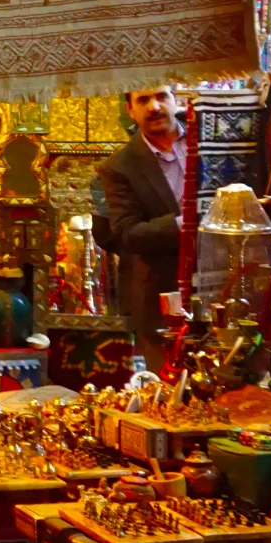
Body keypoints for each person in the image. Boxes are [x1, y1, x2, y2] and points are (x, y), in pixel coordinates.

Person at [96, 86, 187, 368]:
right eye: (143, 100)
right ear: (130, 111)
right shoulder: (118, 167)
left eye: (162, 97)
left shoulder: (209, 139)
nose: (154, 107)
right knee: (169, 393)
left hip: (218, 286)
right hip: (159, 296)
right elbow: (126, 234)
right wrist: (184, 225)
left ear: (177, 100)